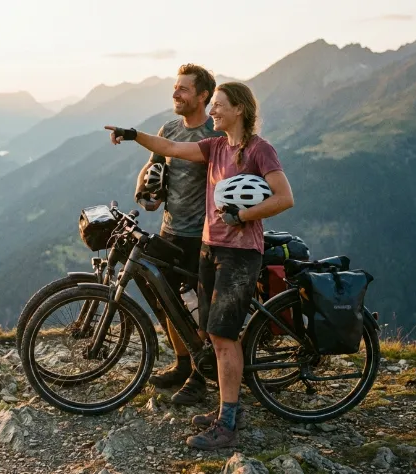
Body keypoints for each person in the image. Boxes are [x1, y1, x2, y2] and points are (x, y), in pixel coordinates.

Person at [104, 82, 294, 449]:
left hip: (240, 255)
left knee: (223, 337)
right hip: (210, 249)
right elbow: (171, 147)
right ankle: (227, 407)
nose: (212, 113)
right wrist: (133, 135)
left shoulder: (259, 149)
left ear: (239, 109)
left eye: (219, 106)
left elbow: (285, 197)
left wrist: (245, 214)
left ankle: (227, 424)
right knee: (213, 332)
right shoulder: (216, 146)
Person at [134, 63, 224, 405]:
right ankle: (184, 365)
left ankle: (201, 379)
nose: (176, 93)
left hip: (203, 237)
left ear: (203, 96)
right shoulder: (169, 127)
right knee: (169, 302)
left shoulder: (215, 135)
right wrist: (145, 193)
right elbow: (151, 168)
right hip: (169, 231)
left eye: (183, 88)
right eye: (175, 87)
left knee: (200, 307)